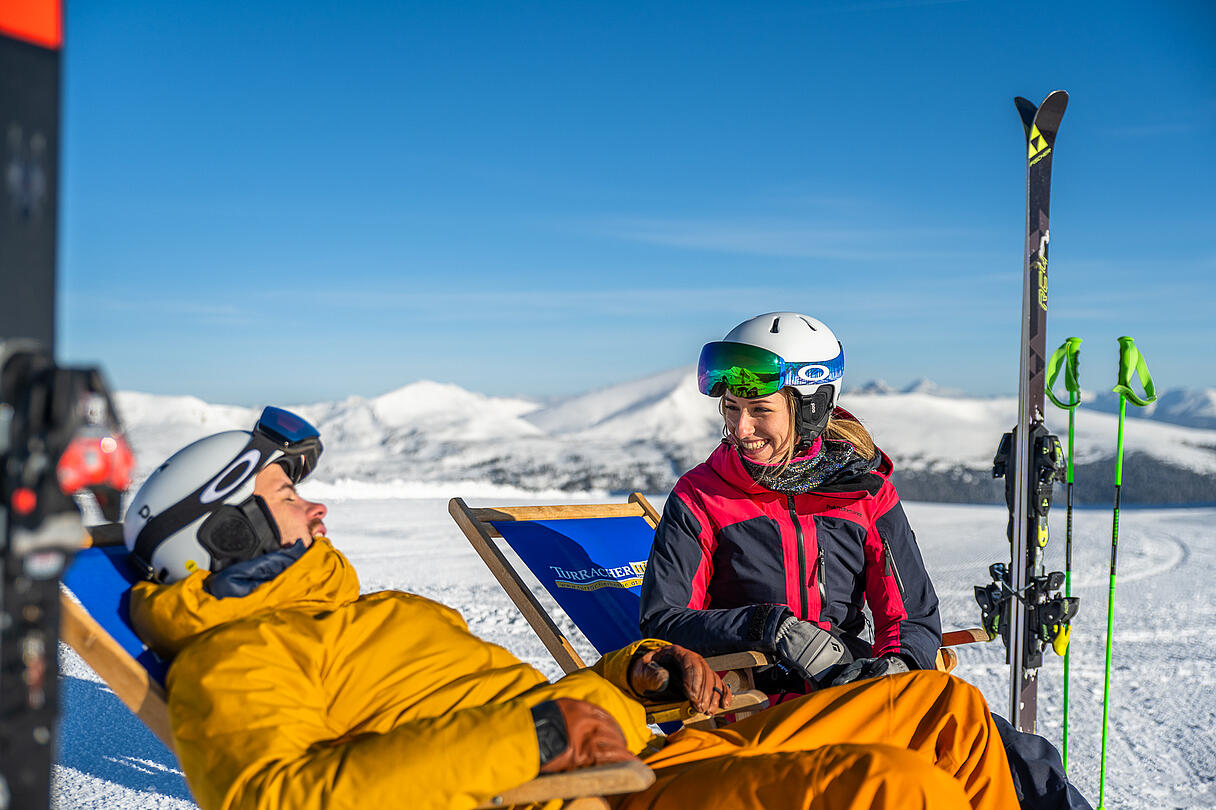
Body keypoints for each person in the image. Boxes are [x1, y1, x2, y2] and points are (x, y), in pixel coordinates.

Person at [123, 406, 1021, 810]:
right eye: (288, 497)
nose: (317, 507)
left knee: (939, 704)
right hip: (591, 793)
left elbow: (528, 707)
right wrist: (542, 740)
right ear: (230, 537)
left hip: (647, 747)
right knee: (891, 789)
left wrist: (638, 674)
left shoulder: (364, 613)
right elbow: (275, 801)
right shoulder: (231, 658)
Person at [639, 311, 1091, 810]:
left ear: (810, 406)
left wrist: (897, 665)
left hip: (852, 689)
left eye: (759, 410)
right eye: (731, 408)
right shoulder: (703, 496)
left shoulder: (862, 492)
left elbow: (912, 614)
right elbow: (665, 620)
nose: (740, 428)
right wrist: (772, 628)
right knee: (950, 734)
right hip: (758, 701)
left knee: (1030, 764)